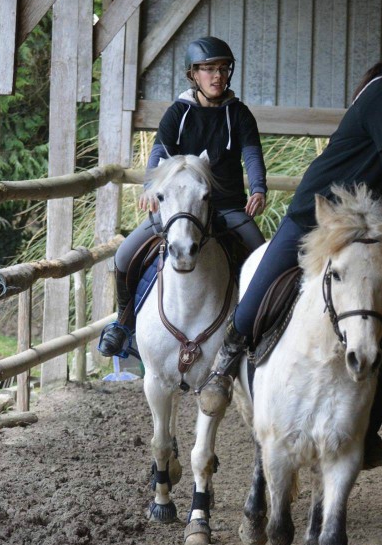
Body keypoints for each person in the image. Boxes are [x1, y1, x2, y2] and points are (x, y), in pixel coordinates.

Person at [196, 11, 382, 469]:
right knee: (263, 283)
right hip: (319, 215)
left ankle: (369, 427)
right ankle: (224, 366)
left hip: (370, 227)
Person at [97, 36, 267, 358]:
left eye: (222, 69)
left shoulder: (240, 114)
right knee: (123, 257)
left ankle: (256, 330)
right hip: (179, 209)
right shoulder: (178, 113)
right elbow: (160, 152)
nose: (217, 76)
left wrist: (258, 187)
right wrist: (150, 186)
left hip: (227, 207)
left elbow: (252, 154)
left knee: (261, 258)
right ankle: (123, 323)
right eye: (208, 69)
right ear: (193, 74)